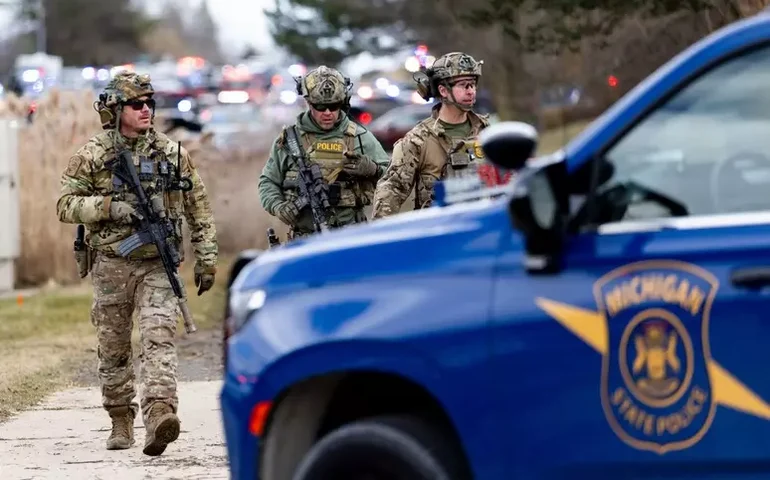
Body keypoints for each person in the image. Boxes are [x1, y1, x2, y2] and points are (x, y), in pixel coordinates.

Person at [55, 71, 218, 456]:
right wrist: (108, 207)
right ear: (116, 109)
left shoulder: (172, 153)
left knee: (158, 337)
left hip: (158, 265)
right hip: (112, 263)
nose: (145, 110)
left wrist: (206, 257)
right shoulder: (93, 155)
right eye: (136, 104)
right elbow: (65, 204)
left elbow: (200, 209)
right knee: (113, 347)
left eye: (149, 103)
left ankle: (160, 414)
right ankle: (120, 418)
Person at [258, 65, 389, 239]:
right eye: (320, 107)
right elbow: (268, 182)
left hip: (351, 236)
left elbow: (393, 178)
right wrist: (277, 206)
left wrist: (373, 169)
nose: (327, 113)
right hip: (305, 238)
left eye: (334, 106)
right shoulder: (289, 140)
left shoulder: (360, 137)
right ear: (308, 103)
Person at [371, 52, 489, 218]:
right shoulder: (418, 140)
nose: (471, 91)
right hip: (439, 232)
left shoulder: (488, 134)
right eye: (463, 85)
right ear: (443, 90)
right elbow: (391, 190)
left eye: (473, 84)